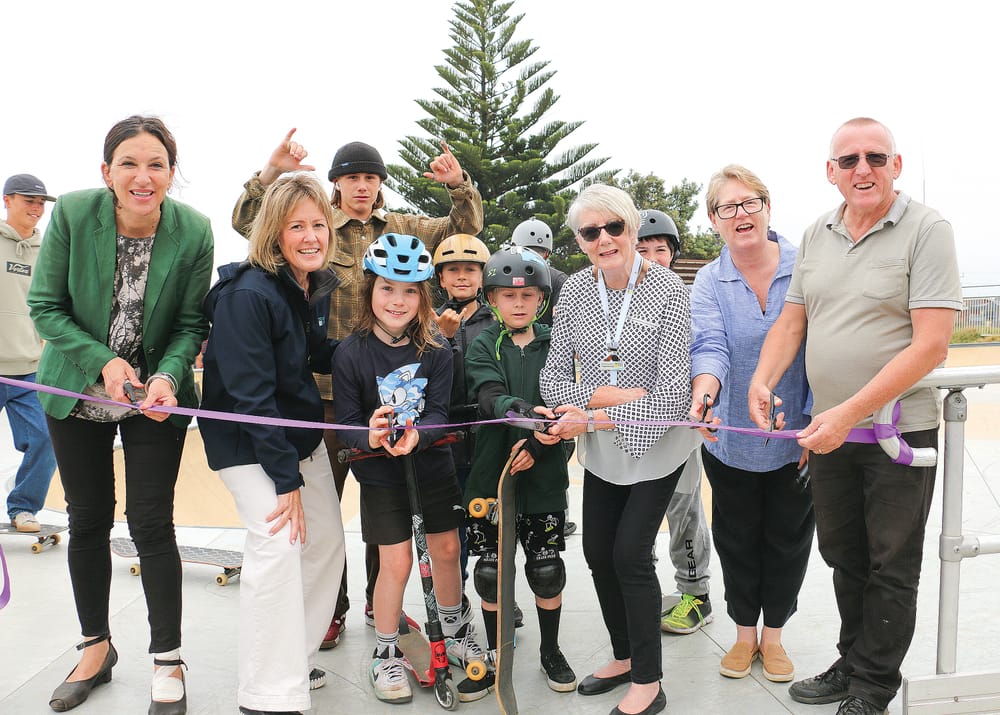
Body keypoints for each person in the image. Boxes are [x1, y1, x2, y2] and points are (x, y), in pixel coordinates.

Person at [233, 130, 483, 649]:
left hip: (395, 397)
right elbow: (249, 222)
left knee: (385, 503)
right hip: (327, 390)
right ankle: (331, 609)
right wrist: (270, 174)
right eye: (352, 177)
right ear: (336, 184)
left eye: (371, 177)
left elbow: (463, 230)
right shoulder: (316, 222)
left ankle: (378, 600)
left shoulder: (402, 227)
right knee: (327, 513)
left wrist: (458, 184)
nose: (362, 186)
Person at [748, 118, 962, 715]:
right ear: (830, 171)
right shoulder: (817, 233)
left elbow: (932, 345)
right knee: (843, 554)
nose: (861, 169)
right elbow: (793, 321)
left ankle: (873, 686)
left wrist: (849, 411)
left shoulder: (928, 229)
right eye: (848, 160)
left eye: (875, 157)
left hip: (898, 435)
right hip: (831, 430)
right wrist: (763, 380)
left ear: (895, 165)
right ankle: (852, 660)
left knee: (891, 563)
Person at [27, 115, 214, 714]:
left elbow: (190, 325)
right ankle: (95, 648)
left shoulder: (194, 230)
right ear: (106, 172)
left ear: (171, 173)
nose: (143, 175)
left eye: (156, 163)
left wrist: (166, 376)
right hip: (77, 388)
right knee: (86, 520)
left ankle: (167, 658)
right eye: (129, 163)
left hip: (153, 397)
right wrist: (105, 362)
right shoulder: (75, 214)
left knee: (152, 523)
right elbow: (45, 307)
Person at [539, 185, 699, 715]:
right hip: (603, 447)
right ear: (580, 241)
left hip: (657, 444)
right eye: (591, 232)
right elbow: (552, 380)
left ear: (632, 229)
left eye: (615, 227)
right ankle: (626, 656)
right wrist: (602, 399)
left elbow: (674, 394)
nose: (604, 238)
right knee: (596, 553)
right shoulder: (576, 293)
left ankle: (650, 683)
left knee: (631, 554)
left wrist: (596, 412)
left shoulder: (671, 290)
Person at [199, 173, 346, 715]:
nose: (311, 236)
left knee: (326, 543)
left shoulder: (302, 287)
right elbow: (251, 396)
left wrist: (383, 346)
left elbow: (314, 355)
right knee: (278, 546)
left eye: (318, 225)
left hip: (294, 438)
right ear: (273, 233)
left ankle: (294, 659)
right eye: (296, 226)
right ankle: (265, 694)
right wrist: (286, 480)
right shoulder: (247, 295)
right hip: (250, 444)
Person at [332, 233, 484, 704]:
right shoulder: (350, 353)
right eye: (387, 289)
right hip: (379, 473)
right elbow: (347, 424)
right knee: (395, 561)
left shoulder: (438, 350)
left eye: (410, 290)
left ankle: (456, 631)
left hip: (432, 466)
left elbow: (439, 412)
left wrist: (421, 434)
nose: (398, 301)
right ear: (369, 291)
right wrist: (370, 435)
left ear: (424, 296)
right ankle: (386, 651)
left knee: (445, 548)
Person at [687, 167, 814, 683]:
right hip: (731, 437)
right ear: (714, 220)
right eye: (727, 207)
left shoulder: (805, 266)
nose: (740, 215)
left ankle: (775, 636)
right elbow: (710, 346)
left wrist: (817, 420)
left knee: (788, 537)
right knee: (736, 537)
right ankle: (744, 634)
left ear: (767, 207)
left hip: (798, 436)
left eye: (750, 203)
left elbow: (819, 346)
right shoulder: (708, 281)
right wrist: (704, 398)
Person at [461, 246, 576, 701]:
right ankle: (494, 655)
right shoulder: (482, 344)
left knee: (546, 571)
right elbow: (490, 396)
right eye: (508, 296)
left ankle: (550, 650)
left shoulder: (558, 343)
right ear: (492, 299)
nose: (519, 303)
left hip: (545, 475)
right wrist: (528, 417)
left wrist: (538, 442)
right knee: (490, 572)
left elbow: (570, 405)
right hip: (491, 475)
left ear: (542, 299)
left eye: (529, 294)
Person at [634, 208, 714, 636]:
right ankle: (642, 589)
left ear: (673, 254)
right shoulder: (613, 304)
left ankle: (695, 594)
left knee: (683, 509)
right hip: (630, 429)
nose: (650, 257)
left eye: (659, 249)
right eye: (641, 249)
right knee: (635, 516)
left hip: (678, 428)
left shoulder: (687, 300)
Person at [432, 234, 494, 584]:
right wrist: (440, 337)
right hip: (448, 440)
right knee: (452, 538)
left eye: (470, 269)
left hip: (486, 436)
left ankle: (495, 595)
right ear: (441, 278)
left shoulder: (496, 320)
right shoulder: (427, 322)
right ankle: (454, 600)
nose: (461, 277)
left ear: (482, 276)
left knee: (490, 528)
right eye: (453, 270)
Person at [510, 216, 577, 538]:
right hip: (530, 359)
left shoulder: (560, 282)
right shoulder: (552, 278)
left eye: (539, 252)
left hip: (551, 363)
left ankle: (556, 513)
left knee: (556, 441)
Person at [2, 174, 58, 533]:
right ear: (7, 200)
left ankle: (23, 506)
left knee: (46, 438)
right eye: (29, 200)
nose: (36, 208)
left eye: (41, 203)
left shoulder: (47, 251)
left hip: (29, 369)